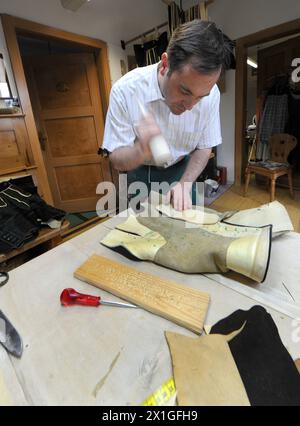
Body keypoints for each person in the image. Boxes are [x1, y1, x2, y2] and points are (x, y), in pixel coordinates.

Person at [102, 19, 235, 211]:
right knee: (138, 236)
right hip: (139, 174)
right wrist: (140, 151)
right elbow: (116, 159)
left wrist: (186, 183)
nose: (190, 106)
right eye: (185, 91)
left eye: (200, 97)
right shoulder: (125, 91)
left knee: (187, 236)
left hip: (184, 172)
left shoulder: (211, 93)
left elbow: (205, 146)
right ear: (165, 65)